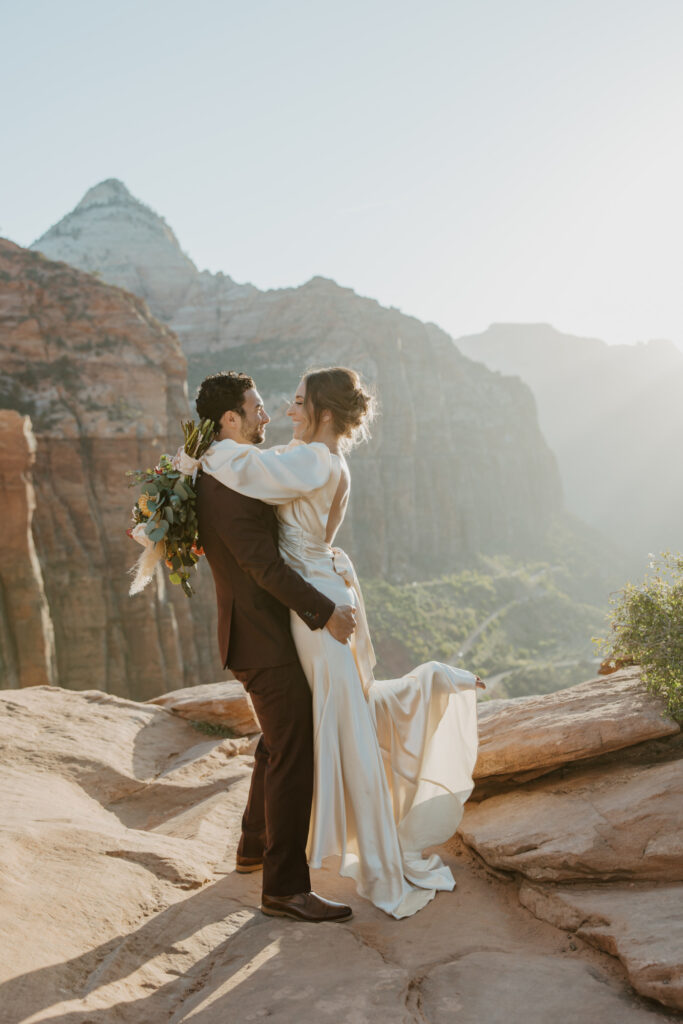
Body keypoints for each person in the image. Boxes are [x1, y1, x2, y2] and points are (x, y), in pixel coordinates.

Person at [198, 366, 485, 920]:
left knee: (320, 730)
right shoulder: (308, 457)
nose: (283, 411)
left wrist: (202, 454)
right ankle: (267, 861)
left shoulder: (301, 460)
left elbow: (250, 470)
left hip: (315, 609)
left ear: (324, 413)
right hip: (308, 606)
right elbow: (258, 512)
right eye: (266, 405)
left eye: (298, 401)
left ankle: (317, 861)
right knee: (296, 737)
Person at [195, 371, 357, 924]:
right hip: (260, 638)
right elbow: (261, 566)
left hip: (262, 634)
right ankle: (284, 888)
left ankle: (251, 846)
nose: (266, 416)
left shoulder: (235, 470)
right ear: (230, 421)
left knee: (276, 741)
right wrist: (324, 611)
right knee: (294, 751)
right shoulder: (227, 483)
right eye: (256, 408)